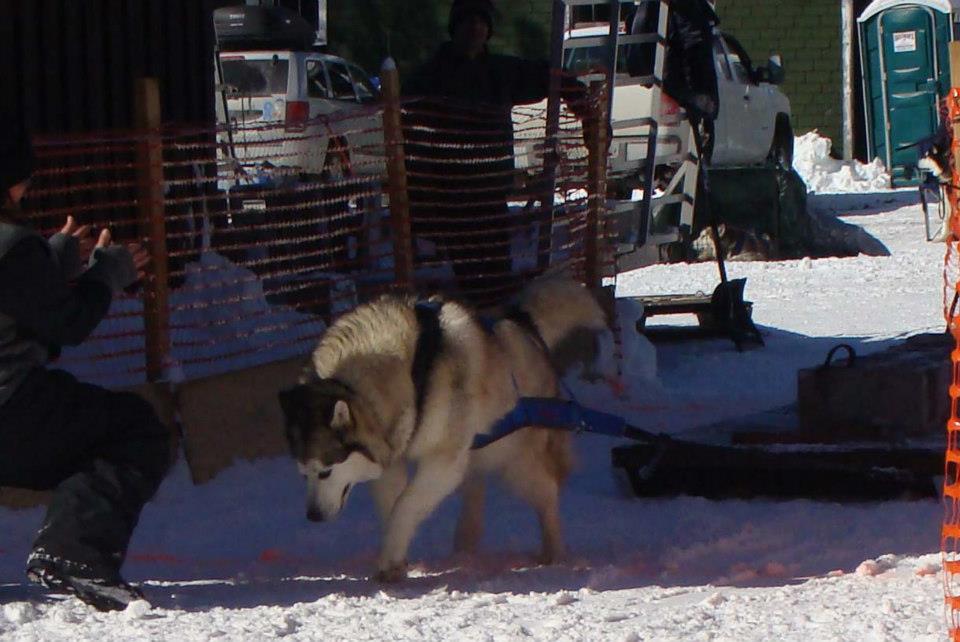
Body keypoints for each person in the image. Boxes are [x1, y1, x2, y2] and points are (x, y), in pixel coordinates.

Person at [0, 124, 172, 611]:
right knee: (134, 430)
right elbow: (65, 324)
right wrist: (106, 274)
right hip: (9, 410)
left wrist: (51, 261)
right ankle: (72, 551)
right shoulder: (12, 243)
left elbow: (20, 296)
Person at [403, 0, 593, 306]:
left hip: (490, 194)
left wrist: (586, 110)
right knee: (467, 286)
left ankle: (497, 337)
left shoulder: (501, 72)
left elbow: (550, 76)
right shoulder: (428, 78)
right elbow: (408, 136)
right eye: (468, 22)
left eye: (481, 23)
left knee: (497, 281)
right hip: (451, 200)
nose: (475, 29)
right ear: (455, 28)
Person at [627, 0, 719, 159]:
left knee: (687, 159)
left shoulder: (651, 7)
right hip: (681, 91)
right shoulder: (684, 10)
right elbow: (694, 49)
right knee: (691, 159)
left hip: (671, 87)